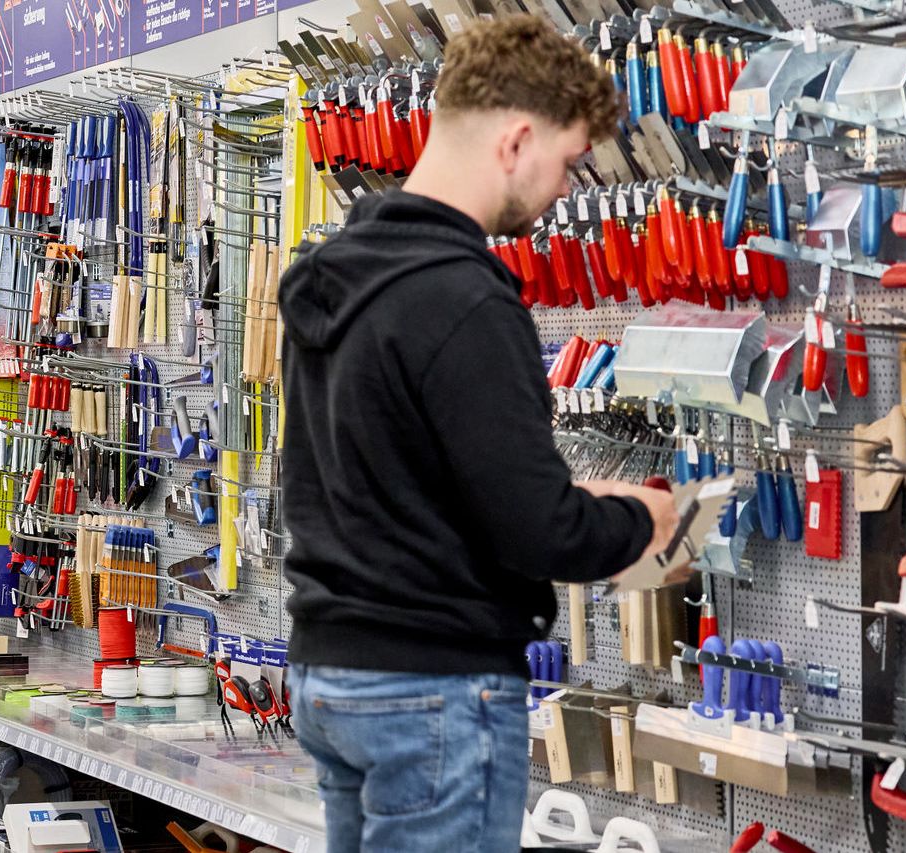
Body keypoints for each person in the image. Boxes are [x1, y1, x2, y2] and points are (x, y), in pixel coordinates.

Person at [277, 16, 681, 853]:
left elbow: (395, 486)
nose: (566, 188)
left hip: (331, 672)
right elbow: (538, 532)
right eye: (567, 161)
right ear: (517, 139)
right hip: (432, 689)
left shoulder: (333, 276)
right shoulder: (466, 299)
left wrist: (571, 495)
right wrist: (642, 520)